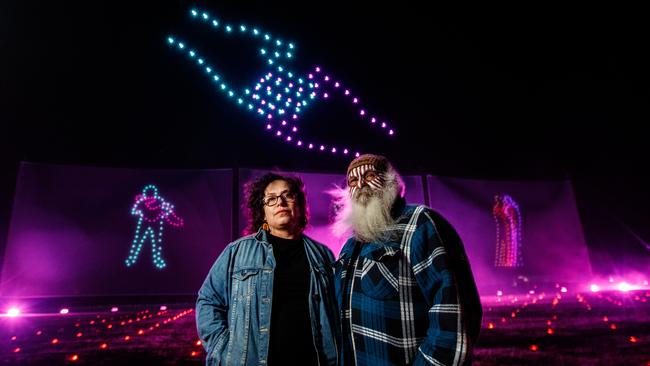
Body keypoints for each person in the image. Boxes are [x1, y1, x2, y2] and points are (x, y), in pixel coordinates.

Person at [331, 154, 482, 366]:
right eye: (353, 181)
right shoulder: (350, 245)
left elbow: (454, 314)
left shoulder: (420, 223)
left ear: (390, 181)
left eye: (370, 176)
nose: (361, 185)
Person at [196, 173, 339, 365]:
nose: (280, 202)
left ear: (300, 205)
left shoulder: (322, 255)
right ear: (263, 212)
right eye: (271, 199)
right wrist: (224, 350)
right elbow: (208, 300)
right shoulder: (236, 252)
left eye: (287, 195)